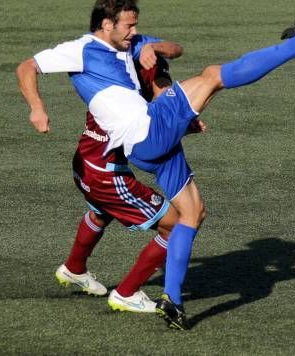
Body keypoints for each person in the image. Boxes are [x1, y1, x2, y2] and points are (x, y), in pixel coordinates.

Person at [16, 0, 295, 330]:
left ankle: (172, 301)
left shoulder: (132, 42)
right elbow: (27, 66)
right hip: (147, 131)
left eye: (136, 26)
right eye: (128, 27)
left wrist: (151, 45)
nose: (133, 33)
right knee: (214, 76)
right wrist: (37, 108)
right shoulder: (81, 50)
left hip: (146, 145)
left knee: (193, 213)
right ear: (105, 25)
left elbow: (174, 49)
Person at [56, 57, 205, 314]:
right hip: (108, 177)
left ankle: (74, 267)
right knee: (176, 224)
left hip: (85, 165)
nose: (165, 84)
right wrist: (183, 126)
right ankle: (127, 292)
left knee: (102, 212)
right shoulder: (138, 99)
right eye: (160, 77)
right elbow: (154, 133)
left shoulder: (109, 85)